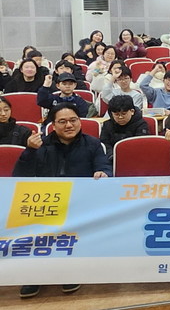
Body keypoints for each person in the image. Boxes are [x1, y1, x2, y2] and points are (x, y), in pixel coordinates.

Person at [13, 102, 111, 299]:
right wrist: (29, 151)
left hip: (80, 202)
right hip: (46, 202)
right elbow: (19, 176)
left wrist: (103, 173)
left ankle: (68, 270)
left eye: (73, 120)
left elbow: (104, 166)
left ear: (80, 121)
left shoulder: (92, 144)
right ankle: (33, 276)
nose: (69, 125)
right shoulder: (40, 145)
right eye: (63, 121)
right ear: (53, 125)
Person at [100, 95, 149, 160]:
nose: (120, 117)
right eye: (116, 114)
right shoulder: (107, 124)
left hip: (135, 158)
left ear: (132, 111)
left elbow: (141, 145)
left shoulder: (141, 124)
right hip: (111, 158)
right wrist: (112, 156)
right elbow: (104, 143)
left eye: (124, 114)